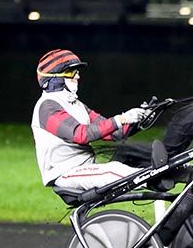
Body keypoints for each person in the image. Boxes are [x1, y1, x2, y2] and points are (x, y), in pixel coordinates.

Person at [31, 49, 150, 191]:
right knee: (112, 171)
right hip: (64, 172)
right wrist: (122, 118)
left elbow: (113, 132)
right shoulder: (47, 106)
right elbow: (81, 134)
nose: (77, 76)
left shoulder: (76, 104)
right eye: (71, 72)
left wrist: (141, 120)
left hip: (83, 168)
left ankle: (157, 176)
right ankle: (155, 179)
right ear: (53, 79)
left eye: (77, 72)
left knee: (122, 162)